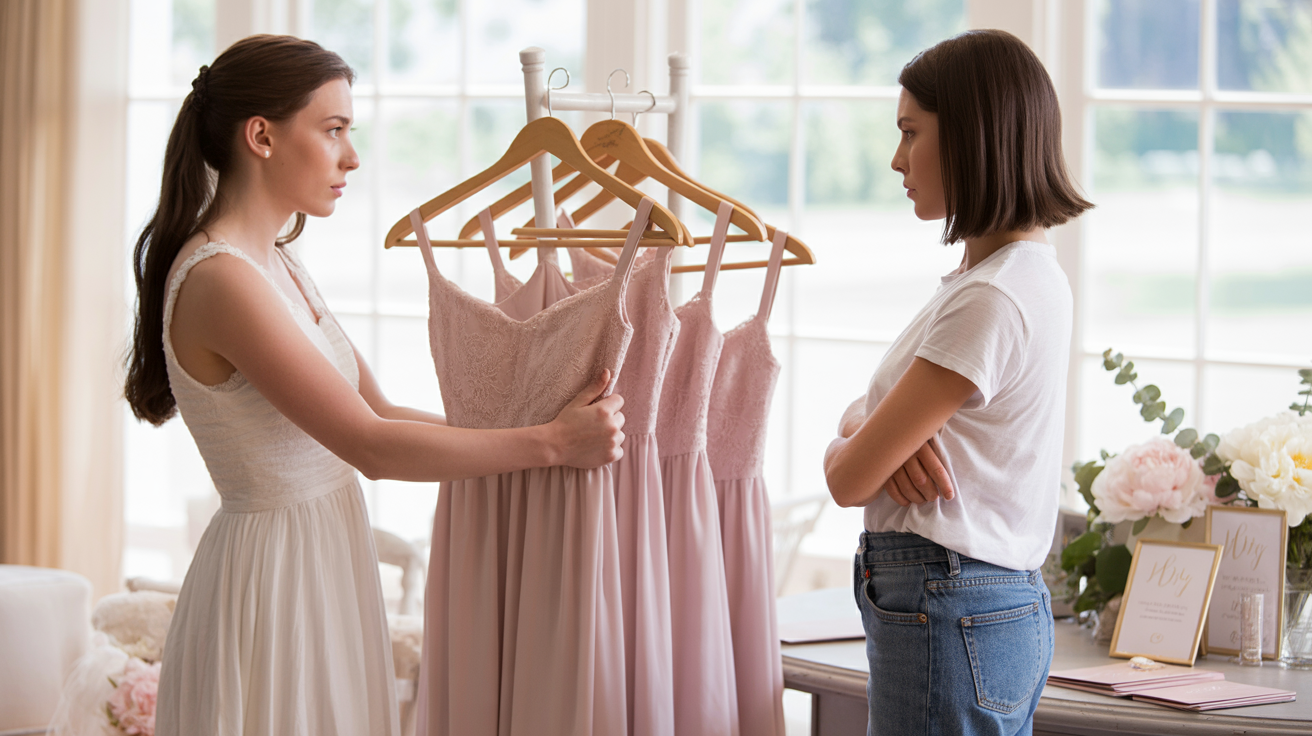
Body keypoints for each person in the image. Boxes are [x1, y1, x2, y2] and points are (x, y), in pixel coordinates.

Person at [123, 34, 625, 735]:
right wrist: (547, 444)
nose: (351, 156)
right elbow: (373, 446)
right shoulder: (220, 280)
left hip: (323, 557)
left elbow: (382, 410)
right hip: (273, 582)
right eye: (332, 131)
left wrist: (543, 425)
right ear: (261, 136)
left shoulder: (279, 264)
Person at [823, 30, 1092, 736]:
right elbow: (870, 424)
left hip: (948, 595)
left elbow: (850, 481)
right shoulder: (1014, 279)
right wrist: (870, 430)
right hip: (979, 598)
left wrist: (850, 445)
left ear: (972, 134)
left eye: (911, 132)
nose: (896, 159)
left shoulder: (992, 296)